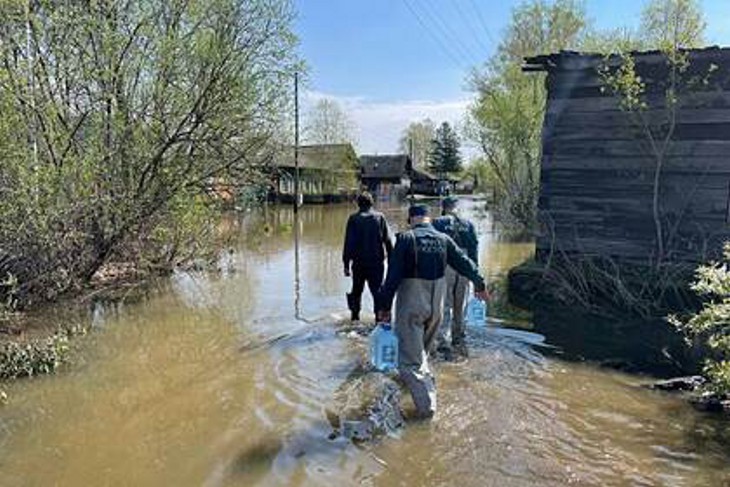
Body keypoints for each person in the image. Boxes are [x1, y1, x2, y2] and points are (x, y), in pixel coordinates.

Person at [376, 204, 488, 418]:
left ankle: (427, 409)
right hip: (436, 305)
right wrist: (480, 284)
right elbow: (465, 263)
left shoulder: (406, 239)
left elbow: (392, 277)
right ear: (429, 219)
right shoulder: (444, 240)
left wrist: (384, 307)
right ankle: (424, 385)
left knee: (410, 361)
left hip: (413, 301)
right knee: (422, 354)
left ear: (411, 220)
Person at [432, 196, 479, 358]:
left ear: (443, 207)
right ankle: (458, 337)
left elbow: (432, 247)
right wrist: (475, 273)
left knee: (445, 304)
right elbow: (474, 249)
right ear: (456, 207)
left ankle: (443, 341)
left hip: (447, 265)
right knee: (461, 304)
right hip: (465, 266)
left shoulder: (437, 222)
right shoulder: (469, 224)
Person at [342, 192, 393, 322]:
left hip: (358, 263)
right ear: (372, 203)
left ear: (358, 204)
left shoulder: (353, 219)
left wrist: (346, 265)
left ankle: (354, 318)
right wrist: (393, 262)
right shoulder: (380, 217)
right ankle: (379, 320)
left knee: (356, 290)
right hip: (376, 264)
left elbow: (348, 243)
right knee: (377, 292)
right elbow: (387, 241)